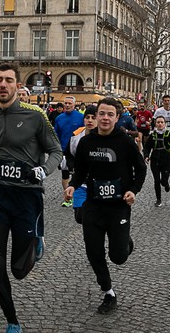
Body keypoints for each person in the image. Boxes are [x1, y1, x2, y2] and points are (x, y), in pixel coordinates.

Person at [0, 63, 62, 333]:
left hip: (26, 195)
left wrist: (43, 170)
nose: (3, 84)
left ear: (17, 86)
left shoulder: (36, 116)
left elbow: (56, 151)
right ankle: (12, 321)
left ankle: (36, 238)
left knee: (19, 270)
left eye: (8, 80)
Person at [64, 97, 146, 315]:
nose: (105, 118)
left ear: (117, 118)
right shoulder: (86, 142)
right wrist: (72, 185)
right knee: (94, 252)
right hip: (94, 205)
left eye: (110, 114)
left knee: (118, 257)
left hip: (118, 206)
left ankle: (125, 240)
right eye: (102, 114)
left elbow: (141, 169)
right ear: (96, 116)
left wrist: (133, 191)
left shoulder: (125, 142)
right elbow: (80, 170)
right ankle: (108, 292)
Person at [63, 105, 97, 224]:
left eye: (93, 117)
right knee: (79, 217)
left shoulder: (104, 136)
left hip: (99, 182)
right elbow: (68, 153)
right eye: (87, 117)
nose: (90, 120)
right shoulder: (76, 134)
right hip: (80, 181)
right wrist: (72, 165)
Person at [53, 96, 84, 207]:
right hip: (64, 150)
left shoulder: (81, 117)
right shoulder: (59, 118)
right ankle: (67, 197)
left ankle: (78, 195)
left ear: (74, 105)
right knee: (64, 174)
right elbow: (56, 135)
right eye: (65, 103)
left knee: (78, 173)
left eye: (70, 103)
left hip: (77, 150)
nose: (67, 105)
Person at [143, 115, 170, 207]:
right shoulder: (153, 135)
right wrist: (146, 156)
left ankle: (166, 184)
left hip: (166, 161)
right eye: (158, 122)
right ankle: (158, 199)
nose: (160, 124)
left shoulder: (169, 135)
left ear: (165, 124)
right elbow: (147, 147)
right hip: (155, 161)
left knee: (163, 181)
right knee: (156, 180)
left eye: (161, 122)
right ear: (155, 124)